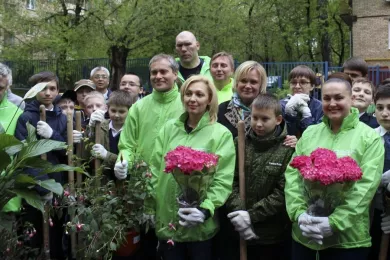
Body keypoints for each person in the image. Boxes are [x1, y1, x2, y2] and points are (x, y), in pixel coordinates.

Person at [285, 78, 384, 260]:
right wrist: (298, 213)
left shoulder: (369, 138)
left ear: (351, 99)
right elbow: (293, 176)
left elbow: (365, 188)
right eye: (326, 98)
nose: (332, 103)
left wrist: (335, 222)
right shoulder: (310, 133)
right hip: (305, 237)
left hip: (347, 240)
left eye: (339, 98)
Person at [149, 75, 235, 260]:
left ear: (209, 99)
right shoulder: (168, 129)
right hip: (168, 224)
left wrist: (205, 209)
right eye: (188, 93)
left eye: (199, 94)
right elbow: (155, 169)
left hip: (199, 227)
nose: (193, 99)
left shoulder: (221, 134)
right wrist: (151, 206)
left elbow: (222, 180)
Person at [114, 54, 183, 260]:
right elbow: (127, 144)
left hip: (176, 188)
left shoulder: (186, 104)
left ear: (175, 74)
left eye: (164, 71)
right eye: (154, 72)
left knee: (174, 249)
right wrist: (123, 161)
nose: (158, 76)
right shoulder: (138, 107)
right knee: (145, 249)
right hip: (143, 190)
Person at [226, 93, 294, 260]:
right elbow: (229, 180)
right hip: (239, 229)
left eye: (265, 119)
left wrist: (251, 215)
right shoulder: (240, 143)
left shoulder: (287, 149)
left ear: (278, 120)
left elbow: (282, 192)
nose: (258, 124)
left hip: (272, 237)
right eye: (255, 117)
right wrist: (239, 212)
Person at [14, 71, 68, 259]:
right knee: (34, 233)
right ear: (33, 91)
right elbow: (23, 156)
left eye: (52, 88)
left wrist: (52, 135)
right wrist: (43, 185)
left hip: (56, 182)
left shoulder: (62, 117)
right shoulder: (26, 117)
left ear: (58, 91)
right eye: (43, 88)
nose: (48, 93)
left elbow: (64, 151)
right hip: (34, 185)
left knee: (55, 235)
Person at [86, 90, 135, 181]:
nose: (116, 115)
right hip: (103, 182)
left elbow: (132, 160)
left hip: (125, 184)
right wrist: (91, 129)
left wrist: (107, 155)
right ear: (107, 108)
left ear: (129, 110)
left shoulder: (133, 131)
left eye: (121, 112)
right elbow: (88, 152)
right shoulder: (99, 127)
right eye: (113, 110)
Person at [217, 61, 268, 138]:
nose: (247, 86)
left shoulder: (269, 110)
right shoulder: (222, 109)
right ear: (237, 83)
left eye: (253, 82)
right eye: (243, 81)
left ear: (261, 85)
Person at [368, 84, 390, 259]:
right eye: (380, 108)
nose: (385, 113)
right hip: (373, 210)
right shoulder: (369, 137)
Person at [280, 65, 323, 137]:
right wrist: (290, 115)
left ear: (312, 86)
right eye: (293, 82)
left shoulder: (319, 107)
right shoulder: (281, 106)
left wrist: (306, 115)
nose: (297, 86)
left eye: (303, 82)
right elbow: (284, 135)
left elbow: (315, 137)